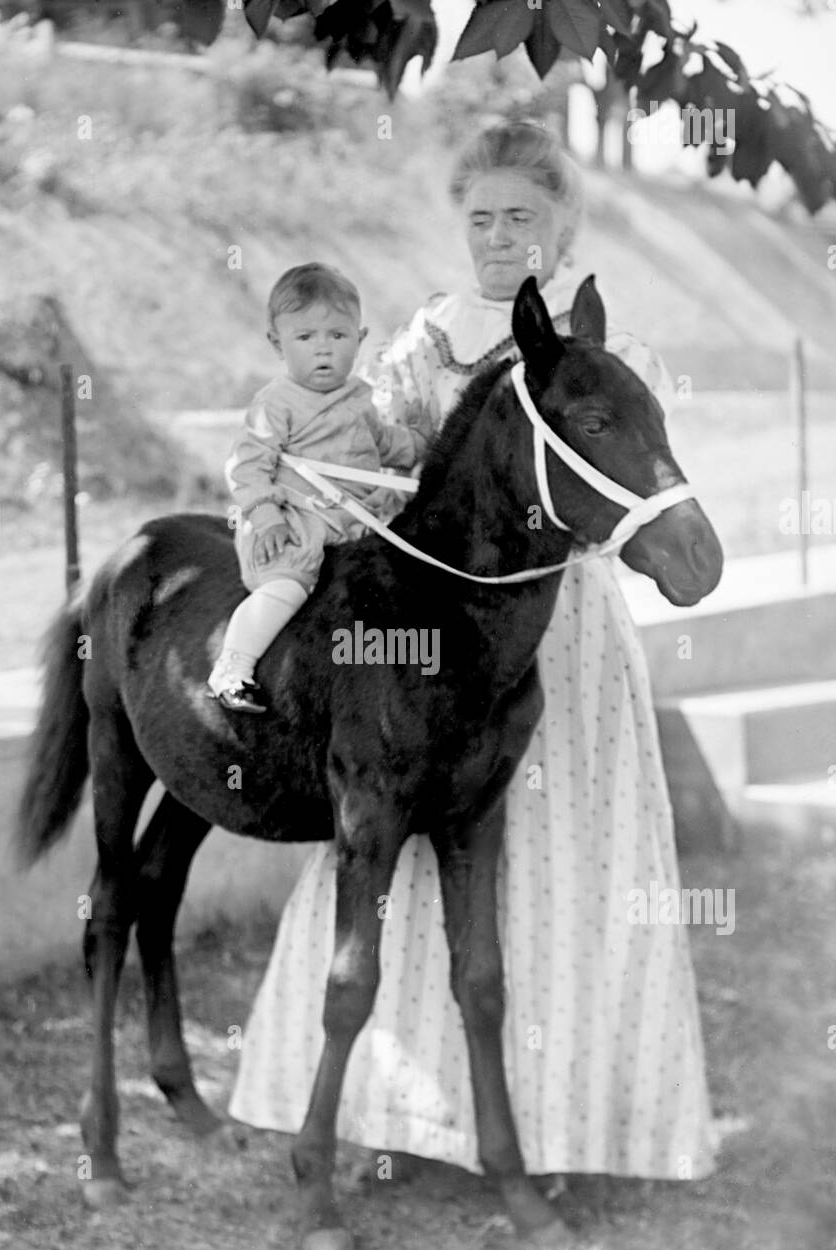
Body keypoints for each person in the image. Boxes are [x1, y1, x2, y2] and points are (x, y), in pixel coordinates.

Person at [230, 123, 717, 1189]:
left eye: (523, 219)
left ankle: (574, 1128)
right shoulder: (424, 341)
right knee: (406, 857)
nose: (500, 239)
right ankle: (412, 1121)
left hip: (573, 636)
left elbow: (639, 480)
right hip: (440, 652)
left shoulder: (606, 348)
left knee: (573, 876)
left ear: (564, 226)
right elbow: (392, 466)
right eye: (483, 218)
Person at [207, 262, 420, 714]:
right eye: (305, 338)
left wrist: (424, 440)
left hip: (356, 522)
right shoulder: (277, 403)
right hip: (294, 525)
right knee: (287, 587)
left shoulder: (361, 398)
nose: (323, 351)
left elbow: (388, 446)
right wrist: (265, 517)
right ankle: (232, 668)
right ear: (277, 344)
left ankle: (393, 677)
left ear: (360, 341)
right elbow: (247, 466)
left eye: (337, 337)